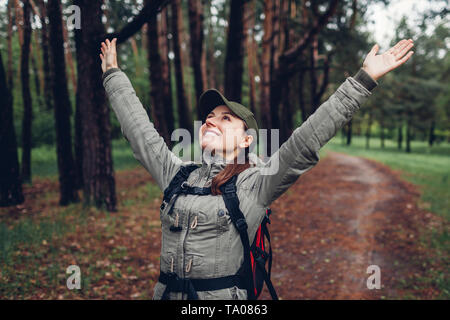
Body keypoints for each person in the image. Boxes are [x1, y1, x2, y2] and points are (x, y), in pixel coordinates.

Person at [100, 37, 414, 300]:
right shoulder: (177, 175)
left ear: (247, 138)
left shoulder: (256, 182)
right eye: (209, 115)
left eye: (225, 118)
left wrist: (363, 80)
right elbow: (139, 133)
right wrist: (114, 76)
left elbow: (305, 140)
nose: (211, 119)